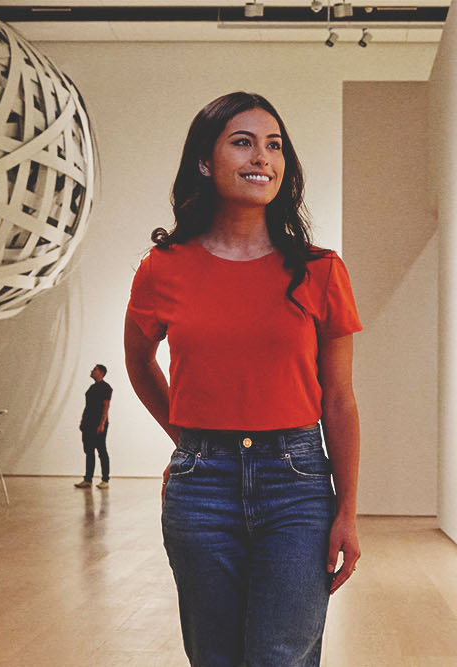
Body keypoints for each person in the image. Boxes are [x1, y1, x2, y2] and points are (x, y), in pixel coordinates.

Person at [121, 92, 363, 667]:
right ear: (205, 162)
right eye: (243, 142)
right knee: (215, 657)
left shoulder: (319, 269)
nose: (263, 158)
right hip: (201, 487)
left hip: (298, 484)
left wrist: (347, 511)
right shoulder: (164, 268)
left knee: (280, 656)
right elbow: (138, 363)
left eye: (274, 145)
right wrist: (189, 442)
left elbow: (340, 401)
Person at [73, 364, 112, 489]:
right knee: (89, 451)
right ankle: (88, 479)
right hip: (88, 424)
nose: (92, 371)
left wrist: (102, 424)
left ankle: (105, 479)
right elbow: (88, 407)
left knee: (101, 451)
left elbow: (106, 406)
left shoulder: (106, 388)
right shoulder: (91, 388)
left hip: (98, 424)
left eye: (94, 369)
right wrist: (83, 422)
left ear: (101, 372)